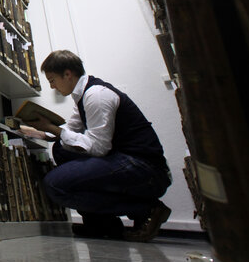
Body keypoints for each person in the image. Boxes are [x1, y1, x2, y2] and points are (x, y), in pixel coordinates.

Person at [19, 50, 172, 242]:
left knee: (56, 185)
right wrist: (42, 132)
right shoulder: (83, 95)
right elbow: (71, 128)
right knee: (61, 149)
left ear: (67, 74)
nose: (52, 87)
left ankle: (146, 209)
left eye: (52, 80)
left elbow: (99, 147)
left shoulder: (96, 95)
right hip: (127, 161)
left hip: (145, 168)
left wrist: (52, 129)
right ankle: (102, 225)